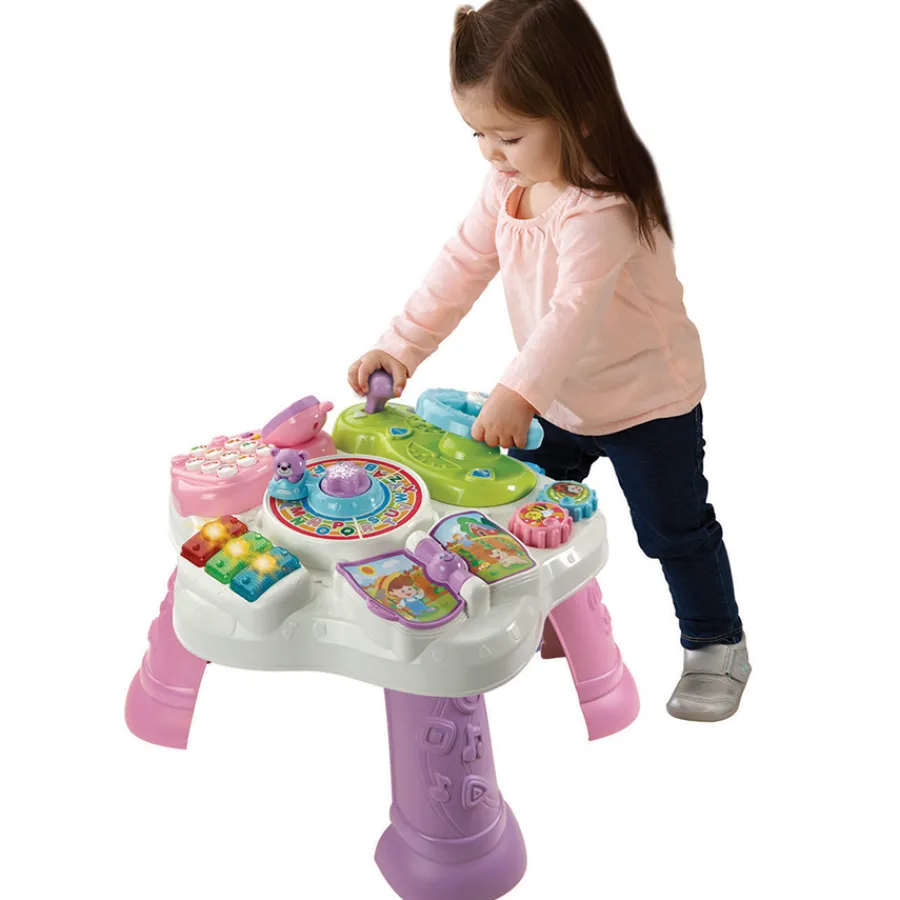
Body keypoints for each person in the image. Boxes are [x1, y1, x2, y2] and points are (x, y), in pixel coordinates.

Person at [347, 0, 750, 721]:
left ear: (579, 116)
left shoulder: (603, 206)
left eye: (508, 135)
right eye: (477, 133)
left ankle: (715, 643)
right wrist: (400, 346)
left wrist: (519, 391)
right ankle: (565, 616)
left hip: (645, 404)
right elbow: (459, 266)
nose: (490, 152)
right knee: (522, 510)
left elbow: (572, 312)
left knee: (672, 531)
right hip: (558, 402)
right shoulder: (508, 186)